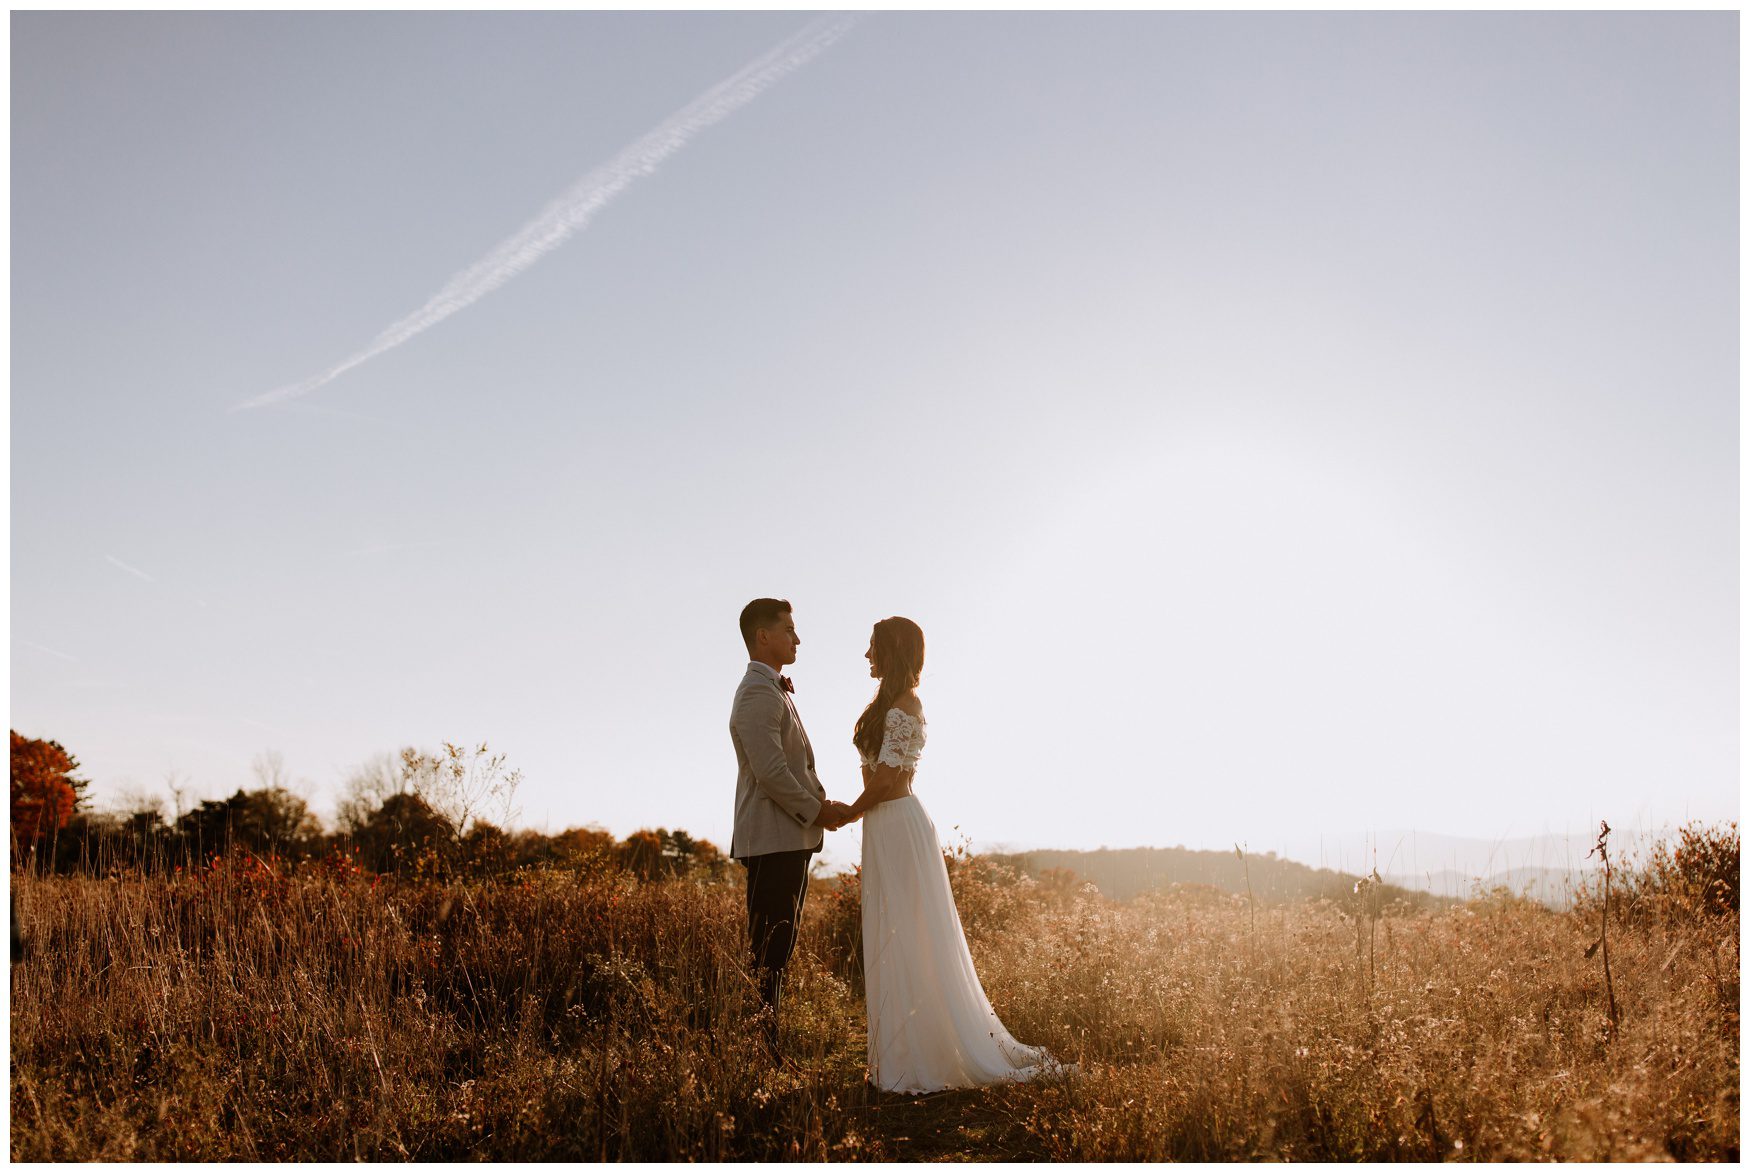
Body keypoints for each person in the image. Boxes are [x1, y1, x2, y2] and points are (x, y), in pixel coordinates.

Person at [837, 616, 1074, 1094]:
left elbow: (885, 781)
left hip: (898, 822)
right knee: (888, 931)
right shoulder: (880, 706)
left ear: (894, 651)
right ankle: (897, 1051)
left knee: (914, 934)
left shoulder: (907, 705)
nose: (866, 656)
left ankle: (929, 1052)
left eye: (872, 648)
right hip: (881, 828)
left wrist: (845, 813)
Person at [728, 598, 852, 1065]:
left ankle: (766, 1044)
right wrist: (818, 810)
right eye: (789, 630)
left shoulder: (773, 690)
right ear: (763, 636)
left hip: (788, 839)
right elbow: (772, 772)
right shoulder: (757, 693)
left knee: (778, 946)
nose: (797, 639)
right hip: (772, 839)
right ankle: (762, 1051)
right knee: (769, 947)